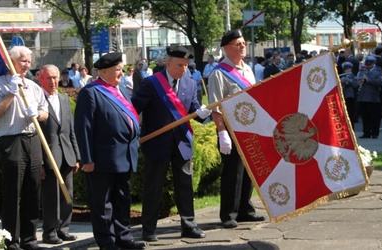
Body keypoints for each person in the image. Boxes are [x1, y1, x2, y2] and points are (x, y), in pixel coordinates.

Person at [131, 45, 211, 242]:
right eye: (179, 65)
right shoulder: (151, 83)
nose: (183, 69)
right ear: (168, 64)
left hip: (182, 142)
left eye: (186, 65)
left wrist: (202, 113)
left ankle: (189, 225)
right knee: (153, 186)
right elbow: (134, 108)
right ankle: (148, 229)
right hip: (157, 143)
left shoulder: (190, 83)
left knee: (184, 185)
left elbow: (192, 108)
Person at [74, 52, 146, 250]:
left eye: (121, 69)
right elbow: (84, 127)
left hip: (124, 155)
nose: (121, 73)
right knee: (103, 203)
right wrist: (87, 158)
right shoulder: (91, 92)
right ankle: (107, 241)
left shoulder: (119, 89)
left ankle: (124, 236)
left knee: (123, 198)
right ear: (104, 71)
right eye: (117, 70)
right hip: (102, 158)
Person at [207, 29, 265, 229]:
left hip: (249, 127)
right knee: (234, 172)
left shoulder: (248, 70)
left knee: (249, 170)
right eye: (237, 44)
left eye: (243, 43)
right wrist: (222, 132)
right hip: (230, 128)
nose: (242, 46)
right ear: (226, 48)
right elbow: (215, 106)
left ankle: (245, 210)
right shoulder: (218, 73)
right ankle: (229, 213)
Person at [0, 46, 49, 250]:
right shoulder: (0, 84)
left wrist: (36, 113)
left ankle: (29, 239)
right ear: (11, 61)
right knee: (13, 192)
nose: (27, 64)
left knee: (32, 190)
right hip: (12, 141)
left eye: (29, 61)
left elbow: (45, 112)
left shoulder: (33, 86)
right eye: (23, 60)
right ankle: (11, 240)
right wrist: (11, 93)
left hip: (33, 139)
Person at [37, 64, 80, 245]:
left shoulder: (63, 99)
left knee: (67, 195)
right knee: (51, 197)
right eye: (49, 78)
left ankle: (64, 229)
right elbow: (35, 135)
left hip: (67, 155)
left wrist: (77, 156)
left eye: (55, 77)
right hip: (49, 158)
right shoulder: (37, 101)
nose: (54, 81)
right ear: (41, 79)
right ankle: (50, 232)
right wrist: (39, 162)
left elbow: (70, 131)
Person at [357, 56, 382, 139]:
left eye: (369, 65)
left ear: (373, 64)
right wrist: (358, 82)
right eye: (366, 64)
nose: (367, 66)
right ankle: (366, 132)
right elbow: (356, 81)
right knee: (365, 117)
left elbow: (380, 81)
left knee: (374, 117)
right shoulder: (362, 71)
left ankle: (375, 133)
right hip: (363, 97)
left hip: (373, 98)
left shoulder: (377, 72)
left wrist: (368, 79)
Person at [339, 61, 358, 130]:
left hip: (350, 96)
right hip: (343, 96)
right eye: (346, 69)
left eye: (349, 69)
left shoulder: (353, 76)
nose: (347, 70)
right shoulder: (342, 76)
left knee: (350, 113)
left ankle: (351, 128)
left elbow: (355, 84)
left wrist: (347, 81)